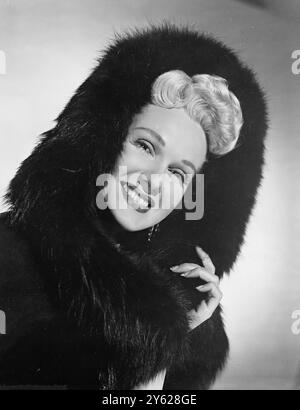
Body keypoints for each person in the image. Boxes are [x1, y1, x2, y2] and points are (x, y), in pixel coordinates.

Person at [0, 23, 267, 389]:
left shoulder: (195, 319)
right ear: (105, 138)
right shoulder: (7, 252)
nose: (153, 179)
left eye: (177, 172)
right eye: (145, 146)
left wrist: (171, 334)